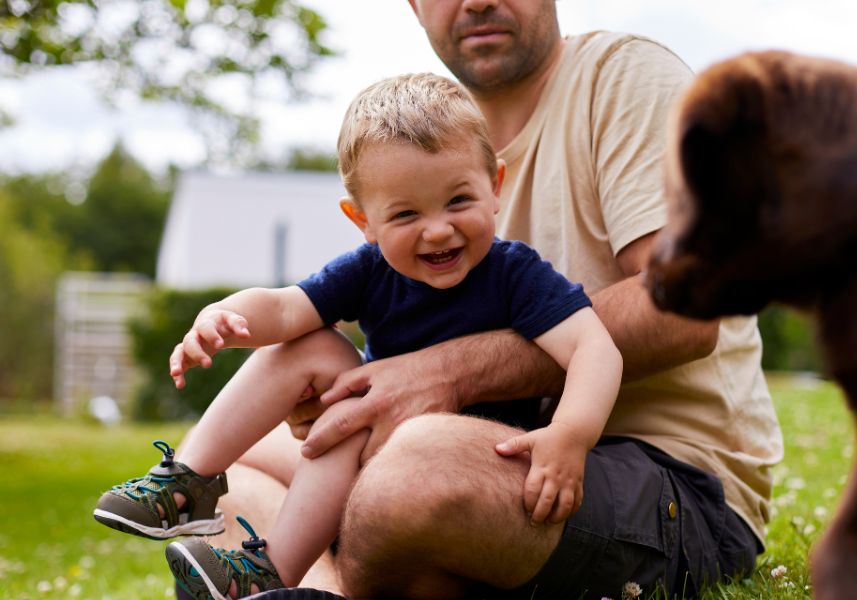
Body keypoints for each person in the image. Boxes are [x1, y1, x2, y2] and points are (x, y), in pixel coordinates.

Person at [202, 2, 784, 599]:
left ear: (493, 183)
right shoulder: (430, 129)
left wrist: (443, 376)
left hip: (664, 476)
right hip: (488, 449)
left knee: (413, 468)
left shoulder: (625, 78)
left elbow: (686, 310)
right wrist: (344, 401)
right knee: (238, 471)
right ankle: (305, 586)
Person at [94, 72, 623, 600]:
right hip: (373, 441)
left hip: (458, 472)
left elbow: (593, 347)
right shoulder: (371, 271)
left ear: (495, 188)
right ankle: (190, 481)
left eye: (459, 200)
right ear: (363, 220)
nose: (437, 229)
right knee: (314, 348)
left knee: (347, 419)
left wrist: (571, 433)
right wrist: (222, 315)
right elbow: (284, 307)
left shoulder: (514, 272)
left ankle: (275, 567)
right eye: (407, 213)